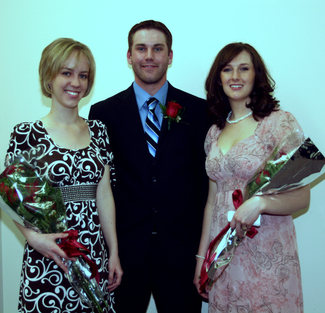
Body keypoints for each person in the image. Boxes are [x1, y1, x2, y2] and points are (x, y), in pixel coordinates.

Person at [89, 20, 211, 313]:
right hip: (125, 256)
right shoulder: (103, 113)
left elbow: (206, 184)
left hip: (182, 253)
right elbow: (101, 184)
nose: (149, 56)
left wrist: (201, 256)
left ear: (170, 56)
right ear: (129, 56)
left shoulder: (199, 111)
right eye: (141, 48)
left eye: (158, 49)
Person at [5, 38, 122, 313]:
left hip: (93, 252)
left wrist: (114, 251)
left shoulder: (99, 130)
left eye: (83, 75)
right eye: (66, 73)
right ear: (49, 76)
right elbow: (10, 198)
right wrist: (33, 239)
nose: (76, 83)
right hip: (49, 254)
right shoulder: (26, 134)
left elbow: (104, 195)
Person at [193, 42, 310, 312]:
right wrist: (202, 258)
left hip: (267, 252)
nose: (235, 76)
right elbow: (212, 202)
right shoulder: (213, 133)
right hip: (223, 256)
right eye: (227, 69)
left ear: (256, 75)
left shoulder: (279, 123)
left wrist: (260, 203)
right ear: (218, 78)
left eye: (243, 68)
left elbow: (303, 196)